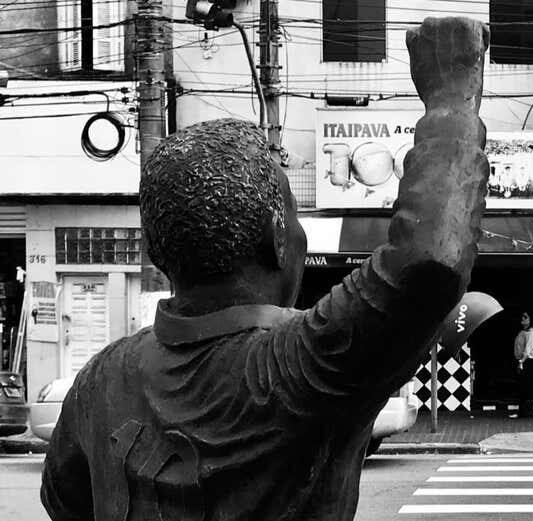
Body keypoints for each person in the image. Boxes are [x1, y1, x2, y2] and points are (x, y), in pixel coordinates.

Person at [40, 17, 492, 521]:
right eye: (295, 219)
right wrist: (452, 100)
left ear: (156, 252)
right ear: (279, 240)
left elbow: (67, 502)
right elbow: (432, 260)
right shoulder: (303, 365)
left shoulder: (99, 381)